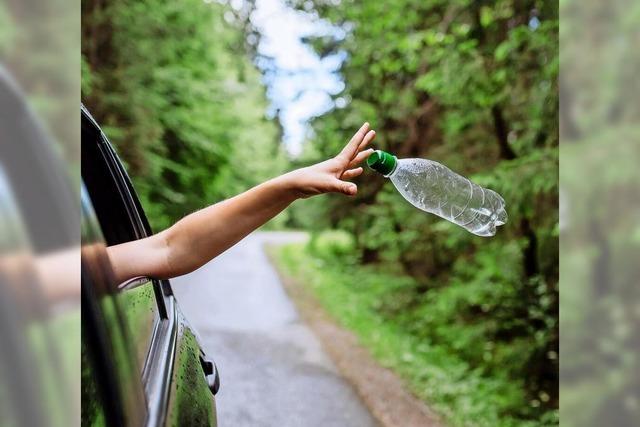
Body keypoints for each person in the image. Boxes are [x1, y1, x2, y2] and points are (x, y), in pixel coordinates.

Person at [107, 123, 376, 283]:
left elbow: (170, 250)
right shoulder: (81, 272)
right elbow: (168, 250)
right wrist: (290, 186)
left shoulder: (82, 269)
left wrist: (290, 186)